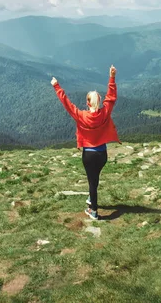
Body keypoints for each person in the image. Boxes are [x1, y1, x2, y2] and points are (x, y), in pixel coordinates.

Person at [51, 65, 120, 220]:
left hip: (88, 155)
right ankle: (91, 199)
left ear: (88, 103)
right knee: (95, 179)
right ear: (100, 101)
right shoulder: (105, 112)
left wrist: (56, 86)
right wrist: (112, 77)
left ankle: (93, 211)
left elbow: (66, 103)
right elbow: (112, 96)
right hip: (102, 154)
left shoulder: (81, 115)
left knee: (92, 182)